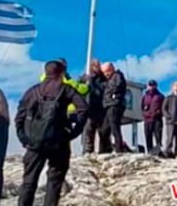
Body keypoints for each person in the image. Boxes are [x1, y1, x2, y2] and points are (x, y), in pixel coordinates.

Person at [15, 60, 89, 206]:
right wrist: (74, 132)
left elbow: (19, 117)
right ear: (61, 73)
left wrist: (24, 139)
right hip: (59, 141)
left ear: (45, 72)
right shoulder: (66, 89)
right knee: (54, 182)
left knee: (29, 182)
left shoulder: (32, 92)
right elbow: (83, 109)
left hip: (34, 143)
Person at [99, 62, 127, 153]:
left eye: (107, 71)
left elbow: (119, 86)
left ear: (112, 68)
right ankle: (104, 150)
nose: (105, 74)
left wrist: (111, 94)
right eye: (104, 72)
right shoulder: (108, 80)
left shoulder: (118, 76)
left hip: (115, 104)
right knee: (104, 129)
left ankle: (119, 150)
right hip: (108, 105)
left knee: (115, 128)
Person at [80, 59, 106, 154]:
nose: (96, 66)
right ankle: (88, 151)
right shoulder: (84, 77)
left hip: (100, 108)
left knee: (103, 132)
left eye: (97, 65)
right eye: (94, 65)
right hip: (89, 108)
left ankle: (103, 151)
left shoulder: (102, 78)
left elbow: (103, 88)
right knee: (89, 131)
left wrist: (93, 81)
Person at [141, 79, 165, 154]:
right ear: (147, 86)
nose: (151, 87)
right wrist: (145, 114)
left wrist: (159, 113)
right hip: (147, 119)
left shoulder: (160, 96)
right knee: (148, 136)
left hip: (157, 119)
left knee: (158, 136)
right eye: (150, 85)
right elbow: (142, 107)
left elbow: (164, 107)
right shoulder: (144, 96)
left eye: (153, 85)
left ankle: (158, 151)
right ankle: (149, 151)